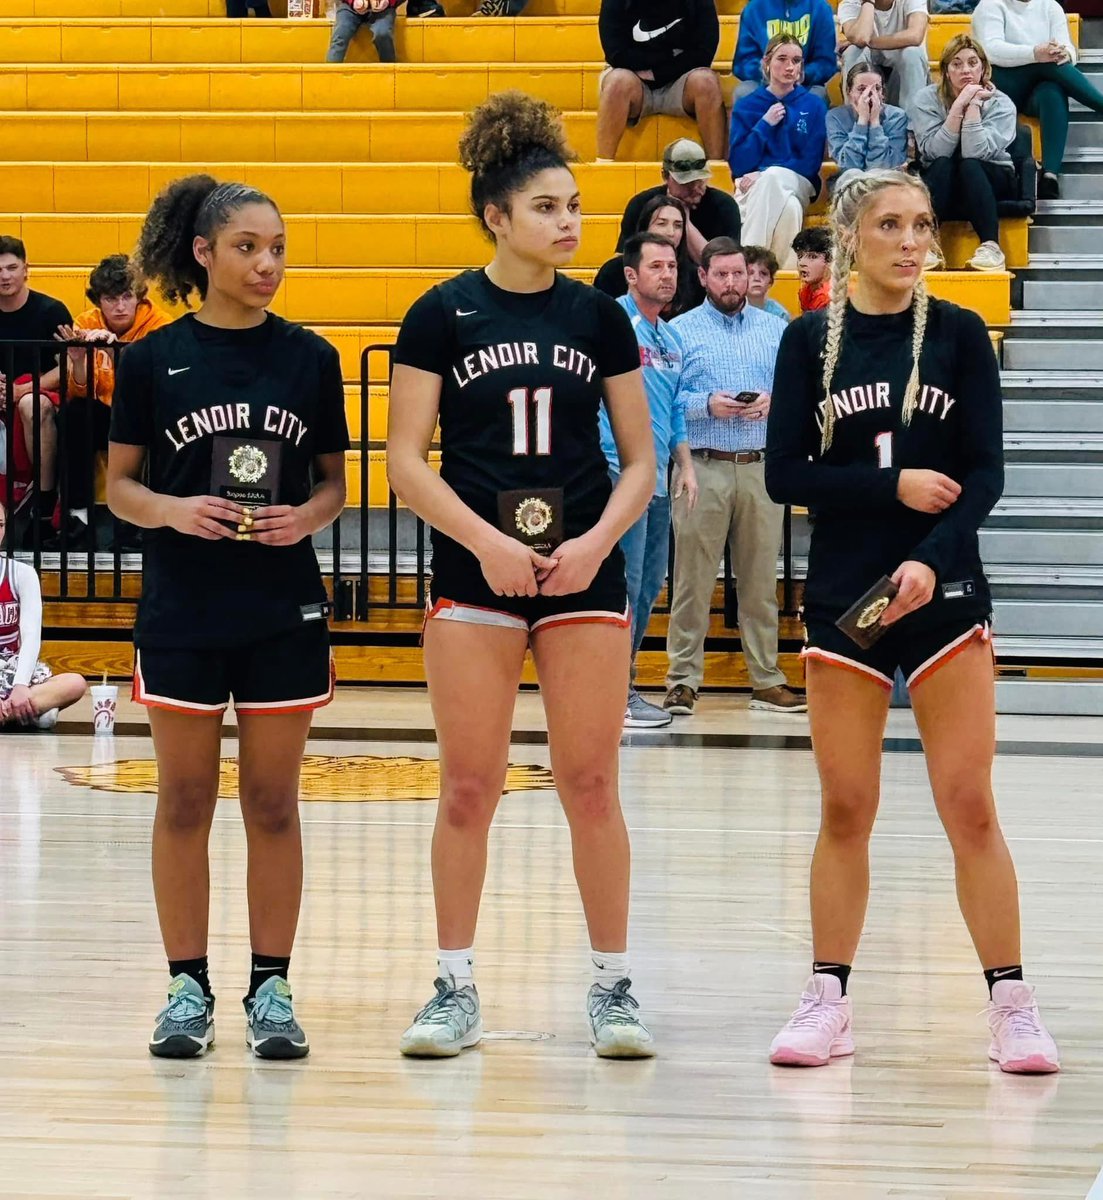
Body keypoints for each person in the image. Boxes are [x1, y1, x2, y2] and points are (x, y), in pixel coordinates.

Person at [764, 169, 1060, 1075]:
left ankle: (1011, 1003)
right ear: (850, 235)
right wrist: (885, 486)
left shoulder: (963, 335)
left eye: (922, 225)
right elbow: (785, 476)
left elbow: (986, 473)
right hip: (846, 598)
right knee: (846, 806)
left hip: (945, 593)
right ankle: (826, 1000)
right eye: (890, 224)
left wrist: (932, 554)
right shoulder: (807, 340)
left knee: (968, 803)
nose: (910, 240)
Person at [387, 92, 658, 1060]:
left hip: (582, 575)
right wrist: (488, 544)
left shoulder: (598, 315)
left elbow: (639, 462)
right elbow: (406, 461)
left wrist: (593, 547)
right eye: (547, 206)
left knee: (590, 782)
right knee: (469, 785)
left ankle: (613, 986)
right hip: (474, 570)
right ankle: (452, 985)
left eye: (574, 205)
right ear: (496, 215)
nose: (569, 221)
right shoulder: (438, 313)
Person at [106, 176, 349, 1061]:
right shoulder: (151, 360)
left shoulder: (310, 358)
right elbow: (120, 487)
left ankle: (272, 987)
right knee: (183, 800)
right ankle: (185, 987)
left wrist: (308, 518)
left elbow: (333, 484)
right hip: (183, 605)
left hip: (281, 605)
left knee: (274, 803)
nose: (267, 264)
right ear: (203, 253)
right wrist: (172, 511)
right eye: (247, 247)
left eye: (277, 247)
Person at [664, 237, 804, 716]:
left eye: (738, 273)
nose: (731, 283)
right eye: (721, 274)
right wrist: (707, 404)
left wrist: (774, 402)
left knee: (761, 583)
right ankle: (682, 679)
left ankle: (766, 680)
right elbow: (661, 403)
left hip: (761, 468)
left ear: (752, 275)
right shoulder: (678, 331)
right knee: (692, 581)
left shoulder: (776, 328)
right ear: (703, 278)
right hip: (700, 466)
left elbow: (799, 395)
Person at [599, 232, 697, 728]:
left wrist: (685, 461)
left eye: (673, 267)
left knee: (649, 586)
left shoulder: (672, 336)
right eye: (656, 266)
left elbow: (676, 407)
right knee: (624, 583)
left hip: (658, 478)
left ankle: (624, 681)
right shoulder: (613, 323)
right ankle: (612, 691)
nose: (667, 274)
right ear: (631, 275)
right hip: (619, 473)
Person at [52, 255, 171, 549]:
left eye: (127, 297)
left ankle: (132, 526)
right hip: (102, 412)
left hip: (145, 414)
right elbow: (80, 392)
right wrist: (79, 361)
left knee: (142, 421)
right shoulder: (84, 323)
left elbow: (155, 390)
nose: (120, 306)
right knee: (74, 414)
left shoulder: (160, 326)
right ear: (98, 301)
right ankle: (78, 519)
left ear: (139, 298)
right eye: (110, 299)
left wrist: (118, 353)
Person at [908, 35, 1019, 274]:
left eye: (972, 62)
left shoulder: (1002, 104)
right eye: (956, 64)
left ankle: (991, 246)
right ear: (946, 71)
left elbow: (975, 152)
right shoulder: (925, 99)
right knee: (943, 164)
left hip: (990, 175)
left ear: (984, 68)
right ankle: (926, 245)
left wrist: (975, 105)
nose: (965, 70)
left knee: (969, 164)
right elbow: (935, 151)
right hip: (942, 176)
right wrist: (960, 105)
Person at [973, 0, 1103, 199]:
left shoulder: (1050, 6)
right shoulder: (990, 4)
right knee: (1048, 64)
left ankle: (1049, 176)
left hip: (1036, 89)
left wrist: (1064, 53)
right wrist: (1035, 54)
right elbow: (991, 50)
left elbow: (1069, 48)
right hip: (1001, 86)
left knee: (1052, 91)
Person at [729, 35, 828, 271]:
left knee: (772, 177)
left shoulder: (813, 105)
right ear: (767, 62)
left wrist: (763, 174)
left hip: (798, 180)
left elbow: (810, 163)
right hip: (752, 185)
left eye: (796, 60)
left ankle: (746, 265)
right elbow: (740, 163)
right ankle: (782, 282)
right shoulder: (747, 105)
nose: (790, 66)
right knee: (790, 209)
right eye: (782, 59)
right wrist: (763, 124)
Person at [0, 236, 72, 532]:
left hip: (38, 397)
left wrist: (20, 391)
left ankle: (42, 504)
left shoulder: (51, 311)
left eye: (11, 267)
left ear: (26, 269)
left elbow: (68, 366)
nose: (4, 276)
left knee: (33, 404)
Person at [597, 0, 726, 162]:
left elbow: (704, 52)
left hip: (680, 79)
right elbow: (615, 53)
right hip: (635, 79)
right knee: (617, 81)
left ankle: (716, 166)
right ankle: (603, 164)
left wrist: (658, 73)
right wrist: (668, 56)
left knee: (707, 81)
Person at [0, 506, 86, 730]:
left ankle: (12, 709)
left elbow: (30, 635)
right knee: (46, 718)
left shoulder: (21, 574)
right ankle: (28, 712)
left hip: (10, 670)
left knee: (75, 683)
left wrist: (20, 685)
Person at [615, 139, 742, 265]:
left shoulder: (724, 206)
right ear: (665, 176)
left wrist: (683, 218)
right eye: (686, 183)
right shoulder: (641, 204)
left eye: (700, 180)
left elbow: (720, 267)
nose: (695, 188)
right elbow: (622, 261)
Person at [593, 194, 704, 318]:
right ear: (645, 227)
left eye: (678, 226)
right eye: (662, 224)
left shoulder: (694, 277)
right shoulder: (613, 271)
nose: (671, 232)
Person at [731, 0, 838, 103]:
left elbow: (826, 62)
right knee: (743, 92)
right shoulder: (754, 8)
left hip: (805, 85)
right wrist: (770, 73)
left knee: (817, 96)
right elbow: (743, 62)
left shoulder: (820, 8)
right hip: (762, 83)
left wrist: (800, 74)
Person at [827, 63, 910, 194]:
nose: (870, 95)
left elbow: (883, 166)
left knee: (883, 177)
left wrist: (875, 122)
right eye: (861, 89)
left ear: (883, 93)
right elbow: (848, 165)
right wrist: (862, 122)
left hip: (886, 182)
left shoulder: (897, 117)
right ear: (849, 92)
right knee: (852, 175)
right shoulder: (835, 117)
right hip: (850, 184)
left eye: (876, 89)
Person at [838, 0, 930, 110]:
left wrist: (870, 41)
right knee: (853, 52)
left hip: (901, 80)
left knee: (912, 53)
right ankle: (856, 118)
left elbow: (915, 36)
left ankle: (913, 124)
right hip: (869, 81)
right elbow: (861, 38)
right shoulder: (850, 3)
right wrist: (868, 2)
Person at [326, 0, 397, 64]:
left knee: (383, 33)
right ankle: (330, 75)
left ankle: (390, 74)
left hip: (384, 9)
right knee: (341, 33)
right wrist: (352, 1)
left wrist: (389, 1)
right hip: (350, 8)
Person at [744, 245, 790, 321]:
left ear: (770, 281)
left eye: (763, 273)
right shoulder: (730, 312)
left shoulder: (780, 315)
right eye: (750, 273)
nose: (757, 278)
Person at [792, 226, 832, 312]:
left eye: (812, 257)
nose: (802, 263)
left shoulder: (829, 297)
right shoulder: (806, 291)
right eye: (799, 256)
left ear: (830, 261)